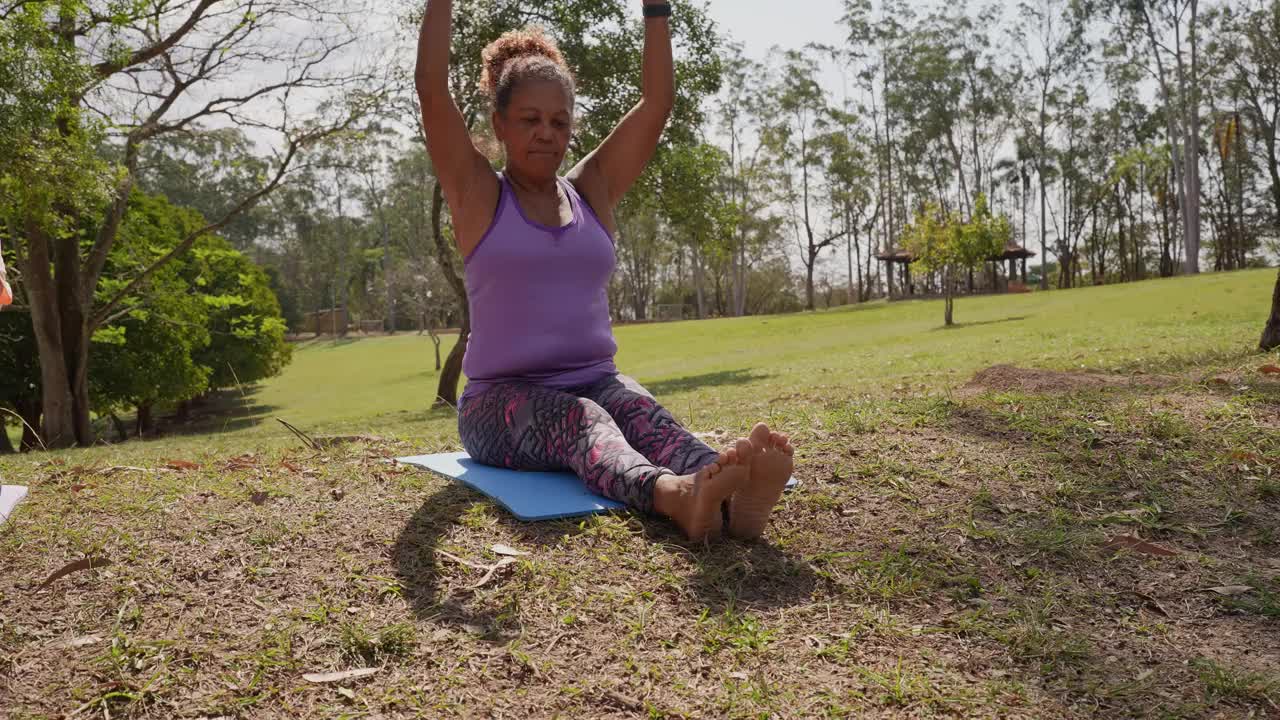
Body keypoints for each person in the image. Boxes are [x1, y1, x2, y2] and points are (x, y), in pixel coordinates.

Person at [414, 0, 794, 541]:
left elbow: (656, 103)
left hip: (598, 379)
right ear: (498, 124)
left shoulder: (591, 191)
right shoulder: (478, 196)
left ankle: (733, 499)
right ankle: (674, 497)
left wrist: (656, 10)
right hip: (498, 404)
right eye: (529, 120)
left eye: (559, 120)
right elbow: (431, 87)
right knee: (583, 421)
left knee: (644, 415)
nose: (546, 132)